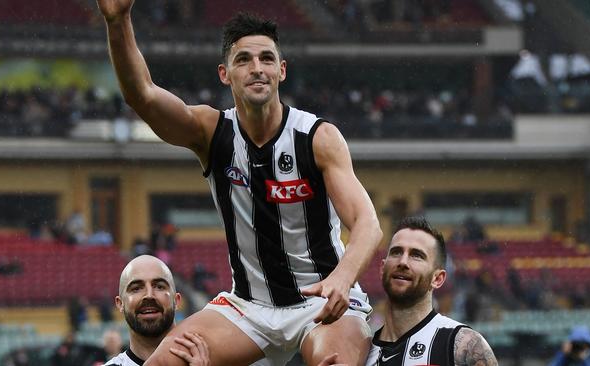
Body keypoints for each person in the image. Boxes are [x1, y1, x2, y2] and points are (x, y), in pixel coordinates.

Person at [96, 2, 383, 365]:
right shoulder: (210, 132)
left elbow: (368, 225)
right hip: (248, 307)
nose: (257, 68)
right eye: (243, 59)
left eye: (266, 58)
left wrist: (342, 279)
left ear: (281, 70)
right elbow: (143, 96)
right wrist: (117, 20)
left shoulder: (317, 138)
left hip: (322, 299)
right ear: (225, 73)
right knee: (164, 361)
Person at [319, 216, 498, 366]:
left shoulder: (463, 345)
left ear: (438, 278)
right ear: (382, 269)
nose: (403, 262)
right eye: (396, 252)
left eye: (416, 255)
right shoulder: (358, 356)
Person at [104, 255, 209, 366]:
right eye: (136, 288)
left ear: (176, 300)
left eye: (159, 286)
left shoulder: (213, 359)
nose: (149, 295)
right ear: (120, 304)